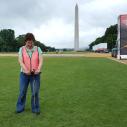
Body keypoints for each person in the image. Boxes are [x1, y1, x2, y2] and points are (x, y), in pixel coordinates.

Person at [16, 33, 43, 115]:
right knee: (22, 92)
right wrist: (25, 69)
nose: (30, 44)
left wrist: (38, 69)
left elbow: (41, 60)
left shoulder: (38, 49)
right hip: (24, 74)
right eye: (28, 42)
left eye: (31, 42)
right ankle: (20, 108)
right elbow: (20, 61)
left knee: (35, 92)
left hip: (35, 74)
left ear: (33, 42)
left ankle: (35, 108)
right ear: (25, 42)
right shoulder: (21, 49)